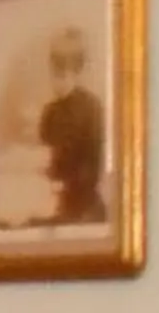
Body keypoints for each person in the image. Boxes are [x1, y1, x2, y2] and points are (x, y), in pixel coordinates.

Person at [35, 24, 106, 224]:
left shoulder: (91, 108)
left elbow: (93, 166)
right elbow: (46, 156)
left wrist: (65, 184)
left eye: (65, 74)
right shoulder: (50, 111)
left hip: (83, 202)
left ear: (77, 73)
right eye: (55, 74)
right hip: (53, 198)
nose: (58, 82)